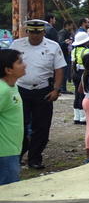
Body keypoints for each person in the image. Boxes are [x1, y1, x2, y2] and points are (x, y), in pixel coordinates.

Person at [10, 19, 65, 169]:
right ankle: (17, 155)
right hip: (20, 89)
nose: (35, 36)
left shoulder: (53, 46)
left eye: (38, 32)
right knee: (19, 125)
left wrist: (56, 89)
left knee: (42, 126)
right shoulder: (16, 45)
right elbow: (7, 65)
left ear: (43, 32)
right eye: (32, 32)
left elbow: (59, 69)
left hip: (43, 90)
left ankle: (35, 158)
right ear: (27, 32)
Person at [0, 49, 25, 185]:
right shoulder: (2, 90)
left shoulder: (12, 86)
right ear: (8, 70)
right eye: (20, 62)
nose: (24, 65)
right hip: (4, 153)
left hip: (12, 150)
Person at [70, 30, 89, 125]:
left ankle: (76, 116)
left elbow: (72, 63)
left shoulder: (74, 50)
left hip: (75, 73)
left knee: (77, 93)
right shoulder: (87, 51)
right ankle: (83, 117)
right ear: (85, 42)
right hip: (84, 73)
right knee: (83, 94)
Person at [57, 22, 74, 94]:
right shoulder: (62, 33)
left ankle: (64, 87)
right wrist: (65, 42)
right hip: (63, 55)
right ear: (67, 25)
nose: (72, 27)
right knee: (64, 71)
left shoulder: (68, 33)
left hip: (67, 53)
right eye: (71, 25)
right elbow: (60, 42)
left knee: (66, 71)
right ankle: (62, 88)